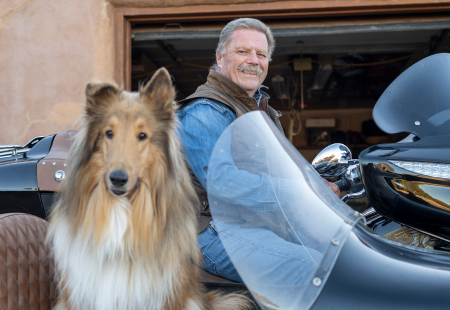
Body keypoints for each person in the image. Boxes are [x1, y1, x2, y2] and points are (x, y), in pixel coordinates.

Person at [177, 18, 340, 283]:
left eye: (261, 54)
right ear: (220, 58)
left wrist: (315, 182)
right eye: (242, 51)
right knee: (313, 269)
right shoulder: (205, 110)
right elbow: (223, 182)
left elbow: (280, 168)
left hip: (258, 224)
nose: (253, 60)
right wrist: (299, 193)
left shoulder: (260, 109)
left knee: (348, 253)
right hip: (214, 230)